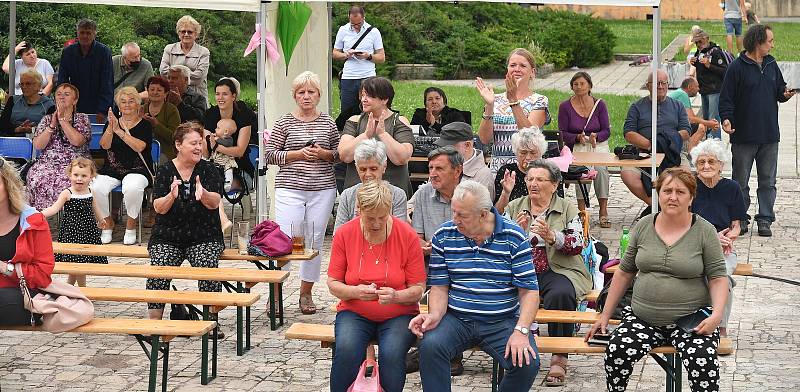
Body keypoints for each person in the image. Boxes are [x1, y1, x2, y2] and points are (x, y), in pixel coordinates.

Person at [587, 167, 729, 392]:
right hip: (643, 318)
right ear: (658, 194)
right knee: (617, 351)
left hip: (691, 321)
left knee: (704, 363)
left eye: (680, 192)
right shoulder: (643, 226)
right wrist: (604, 316)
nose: (673, 197)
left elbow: (718, 277)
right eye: (667, 190)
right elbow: (624, 272)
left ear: (691, 198)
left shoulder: (705, 231)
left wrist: (717, 315)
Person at [410, 180, 540, 392]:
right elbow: (440, 287)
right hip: (457, 319)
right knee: (431, 347)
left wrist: (521, 331)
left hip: (501, 320)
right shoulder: (444, 235)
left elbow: (529, 292)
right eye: (453, 212)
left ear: (483, 214)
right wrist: (434, 315)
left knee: (526, 363)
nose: (455, 220)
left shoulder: (513, 236)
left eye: (462, 215)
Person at [327, 180, 426, 392]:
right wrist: (355, 292)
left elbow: (418, 288)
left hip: (399, 313)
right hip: (355, 311)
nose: (377, 224)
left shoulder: (406, 235)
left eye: (383, 217)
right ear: (359, 209)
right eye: (370, 218)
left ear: (390, 210)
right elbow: (333, 284)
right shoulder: (345, 233)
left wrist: (396, 296)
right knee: (346, 349)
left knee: (391, 354)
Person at [504, 159, 591, 387]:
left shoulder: (567, 208)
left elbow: (578, 243)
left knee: (561, 293)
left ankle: (559, 355)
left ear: (554, 185)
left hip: (557, 268)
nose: (534, 184)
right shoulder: (515, 206)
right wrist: (517, 232)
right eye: (530, 179)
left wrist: (553, 236)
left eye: (540, 179)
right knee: (501, 292)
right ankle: (511, 350)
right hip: (521, 269)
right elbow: (497, 243)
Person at [264, 71, 339, 315]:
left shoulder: (328, 122)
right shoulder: (284, 122)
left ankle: (306, 293)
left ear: (319, 95)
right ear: (294, 96)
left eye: (311, 92)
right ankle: (275, 293)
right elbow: (270, 154)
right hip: (290, 187)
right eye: (301, 92)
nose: (306, 96)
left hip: (322, 188)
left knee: (314, 240)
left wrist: (323, 154)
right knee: (284, 240)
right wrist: (297, 154)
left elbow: (338, 154)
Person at [719, 24, 795, 237]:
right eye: (769, 41)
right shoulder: (736, 67)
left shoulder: (771, 63)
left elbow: (779, 89)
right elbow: (726, 99)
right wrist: (726, 119)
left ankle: (765, 219)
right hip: (743, 136)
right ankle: (740, 218)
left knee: (768, 181)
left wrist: (784, 93)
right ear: (757, 42)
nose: (772, 45)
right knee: (739, 181)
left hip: (769, 135)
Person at [146, 123, 224, 329]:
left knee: (208, 266)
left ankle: (211, 323)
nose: (199, 147)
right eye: (193, 143)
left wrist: (203, 194)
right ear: (179, 145)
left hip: (204, 235)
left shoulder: (209, 169)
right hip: (168, 236)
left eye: (200, 143)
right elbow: (158, 208)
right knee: (159, 268)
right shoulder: (164, 170)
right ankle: (153, 324)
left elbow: (215, 202)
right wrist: (171, 196)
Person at [690, 139, 747, 337]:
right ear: (695, 165)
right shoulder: (689, 187)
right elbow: (681, 224)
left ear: (721, 165)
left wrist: (730, 237)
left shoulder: (732, 188)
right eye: (701, 162)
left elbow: (737, 225)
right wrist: (712, 237)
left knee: (723, 278)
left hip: (723, 248)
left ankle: (720, 328)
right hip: (692, 245)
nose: (706, 166)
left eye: (711, 162)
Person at [92, 87, 154, 245]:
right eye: (123, 102)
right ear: (118, 106)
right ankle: (107, 223)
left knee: (132, 187)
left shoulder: (145, 125)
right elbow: (104, 146)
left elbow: (140, 147)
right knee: (95, 186)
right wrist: (111, 129)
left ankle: (131, 225)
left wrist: (120, 132)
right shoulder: (111, 123)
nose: (127, 105)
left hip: (137, 169)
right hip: (112, 169)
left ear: (138, 104)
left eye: (131, 101)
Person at [621, 70, 690, 211]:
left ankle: (677, 208)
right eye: (656, 83)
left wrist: (666, 142)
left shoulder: (677, 106)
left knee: (686, 176)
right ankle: (656, 205)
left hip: (672, 152)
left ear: (667, 85)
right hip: (643, 153)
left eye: (663, 83)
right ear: (648, 86)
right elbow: (628, 132)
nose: (660, 86)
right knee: (627, 174)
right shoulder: (637, 106)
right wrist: (651, 145)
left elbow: (686, 131)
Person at [0, 157, 55, 327]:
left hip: (21, 293)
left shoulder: (33, 220)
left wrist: (6, 268)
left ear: (8, 184)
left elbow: (42, 275)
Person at [476, 48, 550, 172]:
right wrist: (489, 106)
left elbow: (530, 135)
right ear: (507, 70)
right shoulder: (496, 99)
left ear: (532, 72)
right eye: (513, 65)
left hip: (528, 169)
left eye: (522, 66)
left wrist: (513, 100)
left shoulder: (539, 100)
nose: (517, 69)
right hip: (499, 170)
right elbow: (484, 139)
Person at [339, 77, 414, 197]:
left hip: (392, 194)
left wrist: (383, 134)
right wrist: (365, 135)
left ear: (384, 99)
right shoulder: (354, 121)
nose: (364, 99)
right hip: (358, 195)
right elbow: (344, 155)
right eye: (363, 95)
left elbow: (402, 158)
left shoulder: (399, 121)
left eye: (369, 96)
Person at [41, 157, 107, 286]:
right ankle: (82, 290)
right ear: (70, 175)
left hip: (88, 232)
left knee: (79, 265)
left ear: (91, 177)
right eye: (76, 175)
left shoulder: (90, 192)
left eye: (84, 176)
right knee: (76, 265)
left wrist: (101, 219)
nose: (79, 179)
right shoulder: (67, 193)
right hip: (72, 232)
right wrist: (40, 214)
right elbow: (55, 208)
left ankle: (70, 290)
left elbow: (95, 207)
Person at [558, 71, 611, 227]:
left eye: (582, 83)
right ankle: (582, 212)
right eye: (576, 84)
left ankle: (603, 210)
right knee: (584, 171)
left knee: (601, 170)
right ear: (572, 87)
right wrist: (577, 137)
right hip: (577, 147)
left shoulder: (599, 104)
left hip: (598, 146)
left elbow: (607, 131)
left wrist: (596, 136)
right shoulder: (565, 106)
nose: (579, 87)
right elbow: (562, 133)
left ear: (589, 86)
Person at [27, 83, 91, 210]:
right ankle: (41, 218)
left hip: (76, 164)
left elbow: (77, 141)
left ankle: (70, 218)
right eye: (59, 94)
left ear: (75, 100)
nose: (62, 97)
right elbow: (38, 145)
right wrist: (51, 126)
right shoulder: (46, 119)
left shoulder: (82, 118)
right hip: (47, 164)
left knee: (69, 180)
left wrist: (62, 120)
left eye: (67, 94)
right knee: (36, 177)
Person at [334, 139, 407, 231]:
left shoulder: (397, 195)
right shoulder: (347, 195)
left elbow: (399, 233)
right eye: (363, 169)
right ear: (357, 168)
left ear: (384, 167)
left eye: (373, 169)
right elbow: (338, 234)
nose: (368, 174)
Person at [57, 19, 113, 124]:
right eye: (82, 32)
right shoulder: (68, 52)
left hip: (97, 104)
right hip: (74, 103)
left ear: (94, 34)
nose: (85, 36)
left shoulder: (104, 52)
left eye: (88, 33)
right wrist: (64, 105)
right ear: (77, 33)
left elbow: (107, 82)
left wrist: (103, 110)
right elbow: (62, 81)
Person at [204, 78, 257, 188]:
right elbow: (206, 147)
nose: (220, 98)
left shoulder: (244, 114)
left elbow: (239, 151)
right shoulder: (210, 114)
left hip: (240, 169)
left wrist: (217, 147)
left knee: (215, 186)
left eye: (225, 94)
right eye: (217, 94)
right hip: (214, 167)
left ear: (234, 96)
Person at [332, 5, 385, 114]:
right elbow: (335, 53)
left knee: (370, 111)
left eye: (359, 24)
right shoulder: (343, 30)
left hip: (368, 77)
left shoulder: (373, 32)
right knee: (347, 113)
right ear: (348, 18)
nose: (356, 26)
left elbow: (381, 57)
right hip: (348, 78)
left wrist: (368, 56)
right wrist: (346, 55)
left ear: (364, 18)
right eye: (353, 24)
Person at [494, 127, 547, 213]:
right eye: (523, 153)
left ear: (541, 153)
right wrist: (505, 193)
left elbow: (559, 210)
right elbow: (497, 214)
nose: (528, 157)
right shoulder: (507, 172)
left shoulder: (550, 173)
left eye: (533, 153)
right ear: (516, 152)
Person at [159, 15, 211, 106]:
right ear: (179, 33)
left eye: (190, 32)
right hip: (172, 97)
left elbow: (199, 77)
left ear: (196, 34)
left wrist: (175, 75)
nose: (186, 34)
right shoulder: (169, 49)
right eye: (183, 31)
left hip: (197, 99)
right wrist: (185, 76)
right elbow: (163, 72)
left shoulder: (204, 52)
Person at [433, 122, 494, 199]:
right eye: (442, 147)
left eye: (449, 147)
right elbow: (417, 201)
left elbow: (480, 209)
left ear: (467, 145)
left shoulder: (483, 175)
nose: (444, 151)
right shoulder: (439, 166)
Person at [689, 29, 727, 139]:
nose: (698, 45)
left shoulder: (715, 52)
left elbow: (725, 70)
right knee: (706, 120)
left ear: (706, 39)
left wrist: (709, 65)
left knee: (713, 120)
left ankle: (715, 143)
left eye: (700, 42)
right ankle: (708, 141)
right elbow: (702, 70)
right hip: (704, 90)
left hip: (715, 90)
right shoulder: (700, 52)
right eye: (696, 43)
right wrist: (695, 63)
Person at [0, 69, 55, 137]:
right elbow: (2, 125)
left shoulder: (49, 105)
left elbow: (51, 128)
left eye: (28, 84)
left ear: (38, 86)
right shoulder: (13, 100)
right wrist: (17, 129)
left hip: (37, 141)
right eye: (22, 84)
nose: (24, 87)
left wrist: (33, 129)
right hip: (12, 140)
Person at [668, 78, 718, 151]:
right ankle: (691, 154)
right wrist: (708, 123)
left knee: (700, 125)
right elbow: (690, 119)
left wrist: (708, 123)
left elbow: (693, 117)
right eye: (697, 86)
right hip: (671, 127)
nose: (698, 89)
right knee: (701, 127)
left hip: (672, 124)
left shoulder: (680, 93)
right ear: (689, 87)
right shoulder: (682, 94)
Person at [143, 76, 181, 159]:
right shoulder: (143, 108)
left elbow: (175, 137)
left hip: (165, 153)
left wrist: (156, 125)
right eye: (152, 89)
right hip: (143, 149)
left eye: (159, 90)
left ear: (166, 94)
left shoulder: (171, 110)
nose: (155, 92)